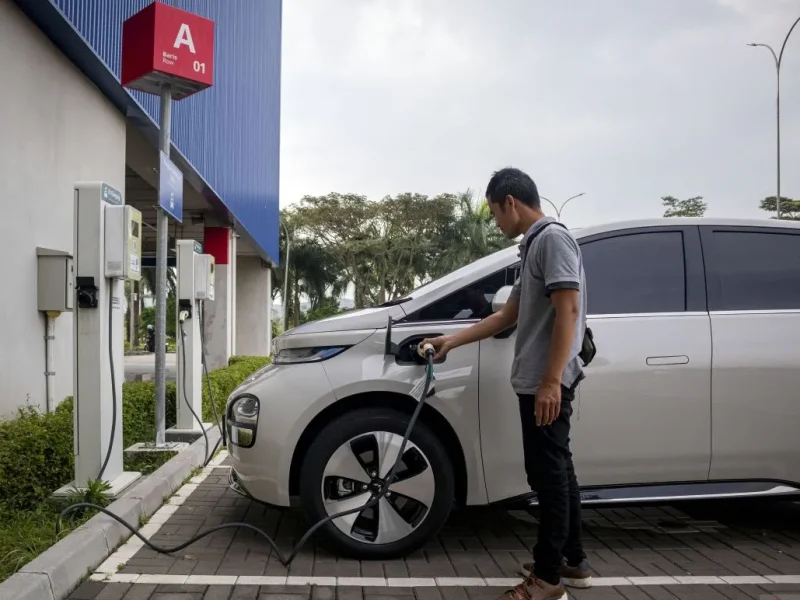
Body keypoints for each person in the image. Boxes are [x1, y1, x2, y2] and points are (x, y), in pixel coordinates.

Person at [420, 167, 591, 600]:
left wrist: (551, 381)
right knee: (558, 469)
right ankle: (572, 561)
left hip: (545, 381)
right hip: (538, 379)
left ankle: (548, 579)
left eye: (495, 212)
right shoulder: (535, 245)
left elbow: (568, 310)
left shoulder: (552, 239)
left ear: (510, 203)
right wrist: (451, 340)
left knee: (548, 475)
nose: (496, 222)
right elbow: (507, 315)